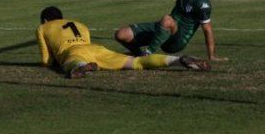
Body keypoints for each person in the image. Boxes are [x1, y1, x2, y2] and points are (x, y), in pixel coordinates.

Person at [36, 6, 209, 79]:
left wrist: (51, 63)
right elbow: (85, 42)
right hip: (97, 49)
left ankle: (80, 66)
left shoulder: (43, 28)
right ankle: (177, 60)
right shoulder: (80, 24)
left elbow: (46, 61)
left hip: (74, 52)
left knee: (73, 62)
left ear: (45, 20)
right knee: (136, 62)